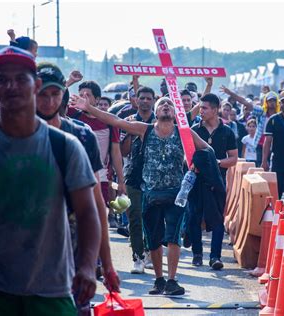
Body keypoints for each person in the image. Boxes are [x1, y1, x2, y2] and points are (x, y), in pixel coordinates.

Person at [0, 46, 100, 315]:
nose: (12, 86)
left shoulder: (65, 147)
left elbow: (88, 213)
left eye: (21, 79)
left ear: (36, 85)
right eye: (2, 80)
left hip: (53, 292)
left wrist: (88, 267)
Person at [70, 94, 209, 295]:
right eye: (162, 104)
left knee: (173, 238)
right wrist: (89, 108)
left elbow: (207, 150)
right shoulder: (145, 130)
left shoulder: (184, 133)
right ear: (156, 111)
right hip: (151, 194)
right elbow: (115, 121)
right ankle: (159, 280)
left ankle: (171, 280)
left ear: (175, 113)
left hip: (176, 195)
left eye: (170, 104)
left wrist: (196, 166)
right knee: (152, 239)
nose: (167, 107)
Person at [35, 62, 120, 313]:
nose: (49, 101)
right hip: (26, 256)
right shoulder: (13, 137)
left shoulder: (81, 137)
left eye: (55, 94)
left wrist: (106, 265)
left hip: (72, 252)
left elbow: (96, 207)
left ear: (63, 95)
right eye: (42, 94)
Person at [67, 81, 126, 228]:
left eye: (87, 95)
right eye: (80, 95)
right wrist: (69, 82)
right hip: (75, 175)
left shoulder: (108, 121)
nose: (83, 98)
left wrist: (121, 181)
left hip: (102, 176)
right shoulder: (72, 115)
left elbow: (116, 152)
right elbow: (53, 100)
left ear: (97, 99)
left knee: (96, 219)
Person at [191, 93, 238, 269]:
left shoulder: (227, 132)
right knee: (194, 215)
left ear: (215, 110)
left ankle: (215, 257)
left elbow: (233, 159)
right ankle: (197, 254)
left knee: (218, 218)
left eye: (204, 108)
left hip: (218, 181)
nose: (200, 111)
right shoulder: (194, 130)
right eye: (200, 107)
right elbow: (186, 156)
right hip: (197, 181)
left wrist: (215, 162)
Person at [120, 86, 157, 274]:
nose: (144, 101)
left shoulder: (159, 123)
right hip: (133, 176)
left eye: (148, 98)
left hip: (155, 178)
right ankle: (138, 257)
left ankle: (151, 252)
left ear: (153, 100)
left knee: (151, 218)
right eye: (141, 98)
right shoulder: (129, 122)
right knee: (134, 217)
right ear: (136, 100)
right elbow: (123, 152)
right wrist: (129, 131)